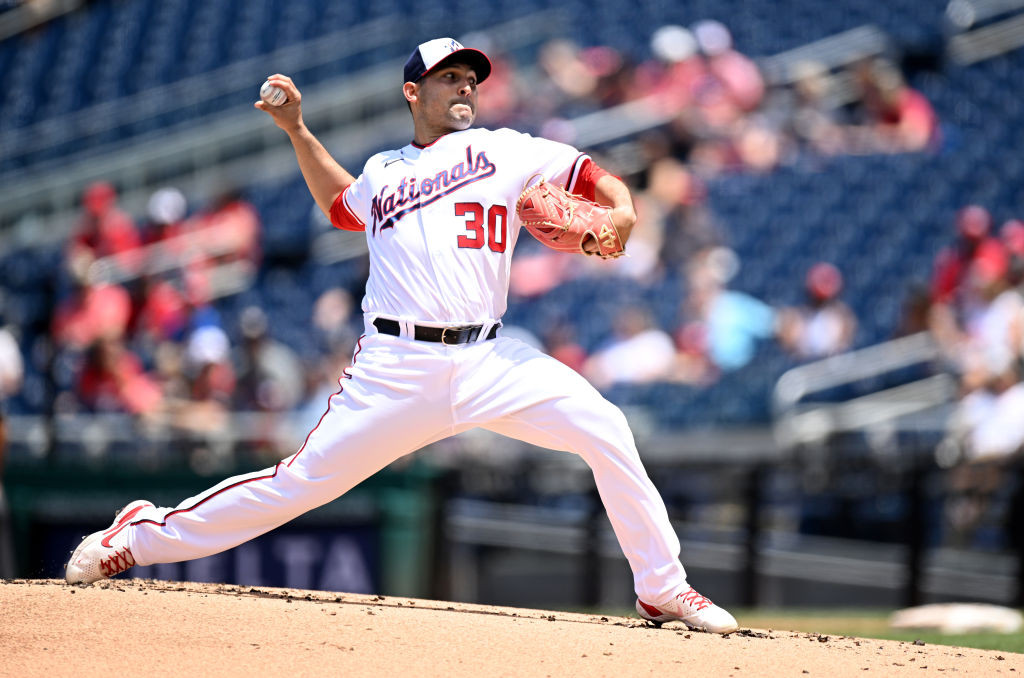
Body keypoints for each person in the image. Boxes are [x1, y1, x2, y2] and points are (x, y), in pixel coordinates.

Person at [65, 38, 737, 634]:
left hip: (488, 358)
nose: (465, 86)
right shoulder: (384, 171)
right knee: (294, 485)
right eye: (449, 77)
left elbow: (590, 175)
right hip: (395, 367)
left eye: (471, 77)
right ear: (414, 91)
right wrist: (297, 130)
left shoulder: (504, 149)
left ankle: (662, 589)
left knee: (605, 427)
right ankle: (137, 536)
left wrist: (619, 210)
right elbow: (340, 205)